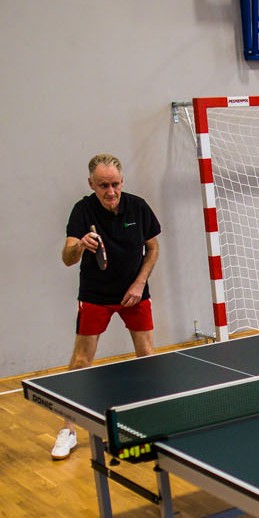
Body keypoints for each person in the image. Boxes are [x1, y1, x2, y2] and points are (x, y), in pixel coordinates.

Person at [51, 153, 162, 460]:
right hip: (96, 294)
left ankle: (153, 419)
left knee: (147, 358)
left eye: (115, 184)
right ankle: (68, 429)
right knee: (80, 361)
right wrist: (79, 245)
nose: (110, 191)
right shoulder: (82, 211)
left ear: (122, 181)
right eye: (103, 185)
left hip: (134, 294)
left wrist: (139, 283)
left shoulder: (138, 207)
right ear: (91, 184)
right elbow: (67, 258)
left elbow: (152, 247)